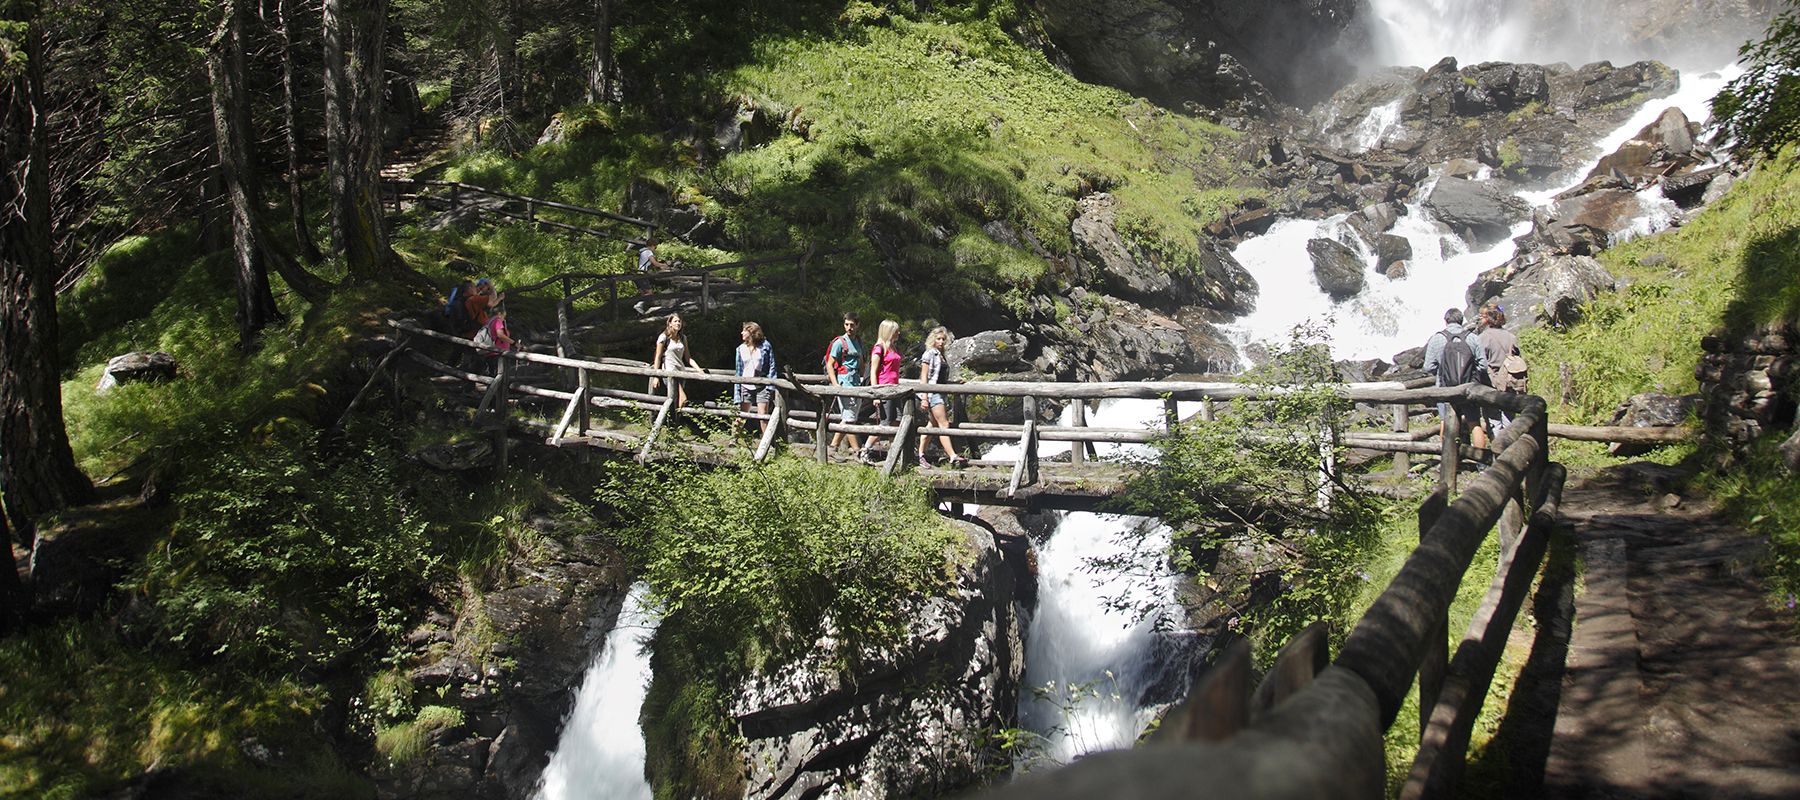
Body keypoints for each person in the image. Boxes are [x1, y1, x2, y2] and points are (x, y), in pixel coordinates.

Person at [1422, 307, 1491, 450]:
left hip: (1445, 388)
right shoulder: (1472, 338)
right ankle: (1481, 462)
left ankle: (1447, 462)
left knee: (1446, 424)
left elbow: (1428, 366)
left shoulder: (1436, 339)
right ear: (1462, 320)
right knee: (1474, 424)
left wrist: (1442, 372)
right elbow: (1483, 365)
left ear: (1446, 321)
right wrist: (1471, 374)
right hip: (1469, 388)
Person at [916, 326, 966, 468]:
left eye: (943, 339)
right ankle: (952, 456)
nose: (941, 342)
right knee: (944, 424)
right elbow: (924, 376)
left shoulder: (941, 355)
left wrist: (954, 383)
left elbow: (940, 378)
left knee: (932, 425)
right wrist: (924, 397)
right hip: (933, 394)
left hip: (941, 393)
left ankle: (919, 454)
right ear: (933, 340)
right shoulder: (930, 353)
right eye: (938, 339)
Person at [824, 311, 867, 460]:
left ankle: (832, 448)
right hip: (844, 381)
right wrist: (836, 385)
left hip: (856, 383)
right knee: (849, 418)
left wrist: (865, 381)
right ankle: (857, 451)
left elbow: (862, 364)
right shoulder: (839, 342)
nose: (849, 328)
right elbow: (830, 364)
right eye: (846, 325)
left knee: (850, 417)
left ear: (857, 325)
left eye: (852, 325)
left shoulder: (859, 342)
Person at [1476, 303, 1521, 436]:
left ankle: (1498, 452)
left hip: (1491, 384)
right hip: (1510, 383)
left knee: (1493, 420)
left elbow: (1480, 363)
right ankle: (1509, 448)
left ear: (1489, 318)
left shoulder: (1484, 338)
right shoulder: (1511, 336)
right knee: (1509, 420)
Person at [863, 319, 904, 464]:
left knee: (896, 421)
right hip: (884, 389)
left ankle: (895, 453)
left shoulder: (893, 347)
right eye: (895, 331)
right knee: (884, 423)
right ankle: (866, 449)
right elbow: (874, 372)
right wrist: (876, 394)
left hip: (895, 389)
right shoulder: (879, 348)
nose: (898, 333)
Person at [735, 321, 778, 438]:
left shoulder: (765, 346)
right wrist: (737, 389)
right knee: (742, 414)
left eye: (744, 330)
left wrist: (770, 386)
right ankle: (733, 439)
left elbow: (771, 366)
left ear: (751, 332)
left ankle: (768, 443)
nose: (742, 333)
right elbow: (738, 371)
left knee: (763, 415)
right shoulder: (740, 349)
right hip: (746, 385)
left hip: (762, 385)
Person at [650, 313, 701, 406]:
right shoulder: (664, 337)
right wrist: (656, 376)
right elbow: (657, 357)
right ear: (669, 323)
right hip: (669, 372)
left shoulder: (682, 338)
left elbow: (688, 357)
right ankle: (672, 418)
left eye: (679, 321)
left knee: (676, 400)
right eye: (675, 321)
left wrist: (699, 370)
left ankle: (674, 419)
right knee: (683, 399)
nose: (678, 323)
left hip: (681, 372)